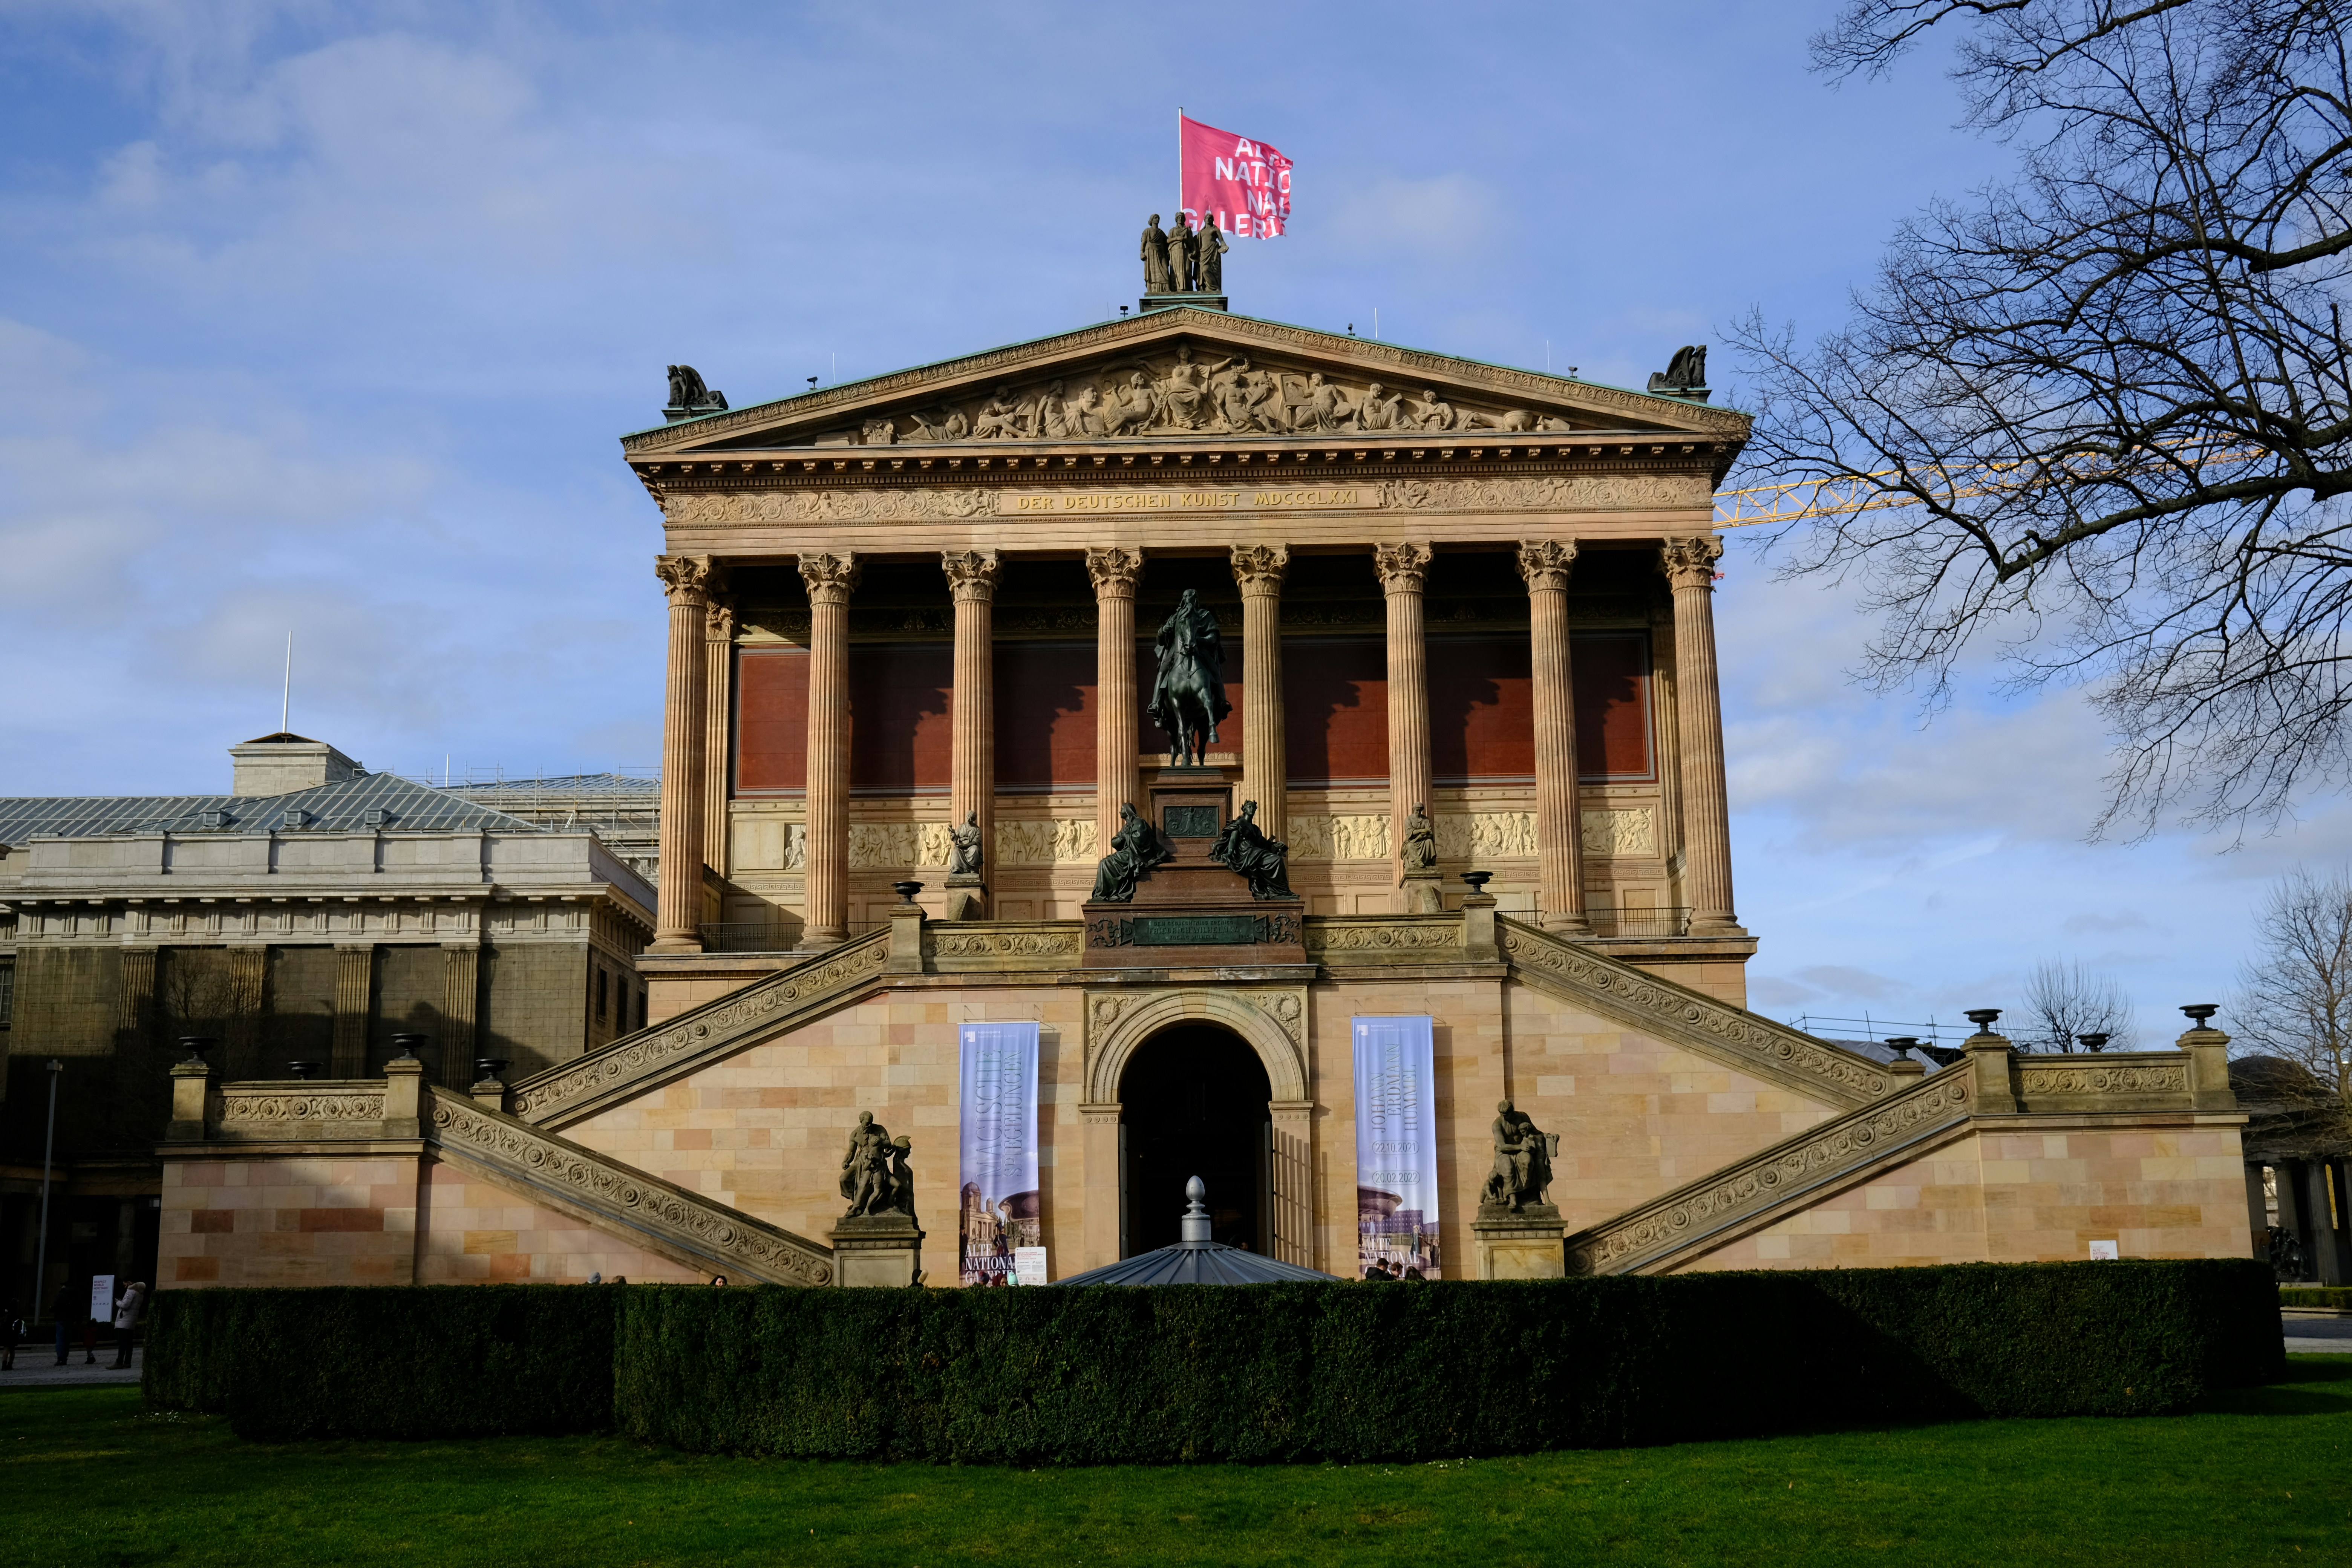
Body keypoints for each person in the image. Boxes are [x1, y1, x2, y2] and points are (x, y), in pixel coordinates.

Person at [109, 1282, 146, 1370]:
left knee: (122, 1343)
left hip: (124, 1321)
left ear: (129, 1282)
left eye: (125, 1283)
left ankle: (119, 1362)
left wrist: (118, 1302)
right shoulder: (140, 1294)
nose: (124, 1285)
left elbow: (125, 1305)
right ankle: (127, 1362)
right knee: (129, 1344)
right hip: (131, 1321)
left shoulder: (131, 1292)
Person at [51, 1279, 78, 1367]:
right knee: (67, 1340)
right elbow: (79, 1308)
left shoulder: (61, 1295)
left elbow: (55, 1306)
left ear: (65, 1286)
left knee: (60, 1339)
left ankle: (60, 1358)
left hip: (61, 1319)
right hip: (70, 1320)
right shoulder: (75, 1295)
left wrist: (51, 1309)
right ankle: (65, 1359)